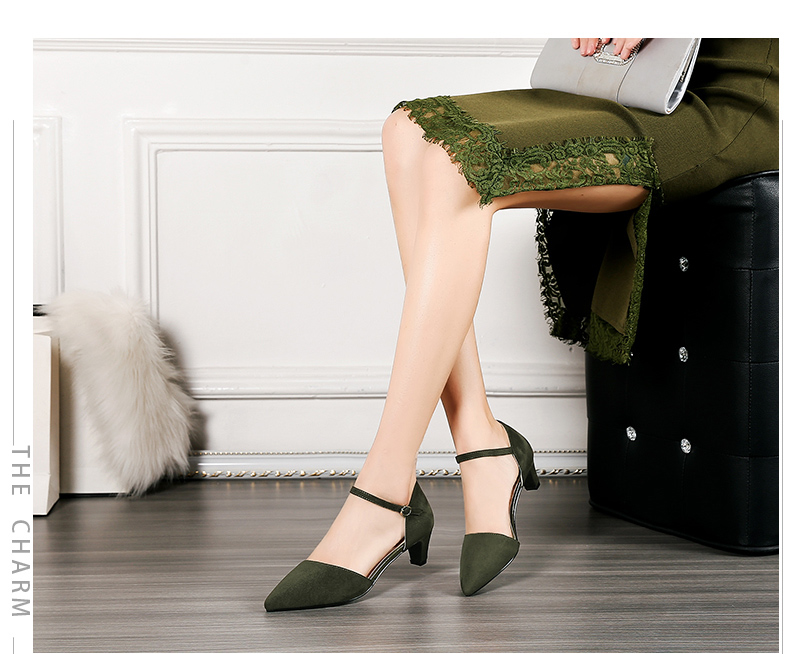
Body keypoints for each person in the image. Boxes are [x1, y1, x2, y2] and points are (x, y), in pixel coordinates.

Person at [264, 38, 779, 611]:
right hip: (640, 81)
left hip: (741, 97)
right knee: (407, 132)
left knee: (459, 166)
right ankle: (481, 441)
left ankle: (384, 492)